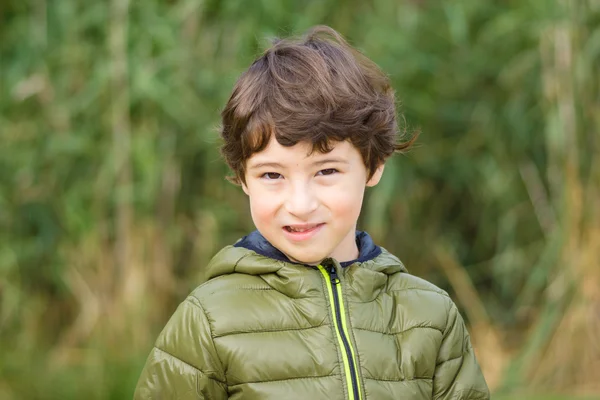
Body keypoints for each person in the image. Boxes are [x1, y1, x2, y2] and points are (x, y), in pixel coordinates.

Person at [134, 25, 490, 400]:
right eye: (272, 174)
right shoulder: (208, 319)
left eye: (326, 171)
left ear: (373, 166)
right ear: (242, 178)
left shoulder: (431, 316)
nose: (300, 204)